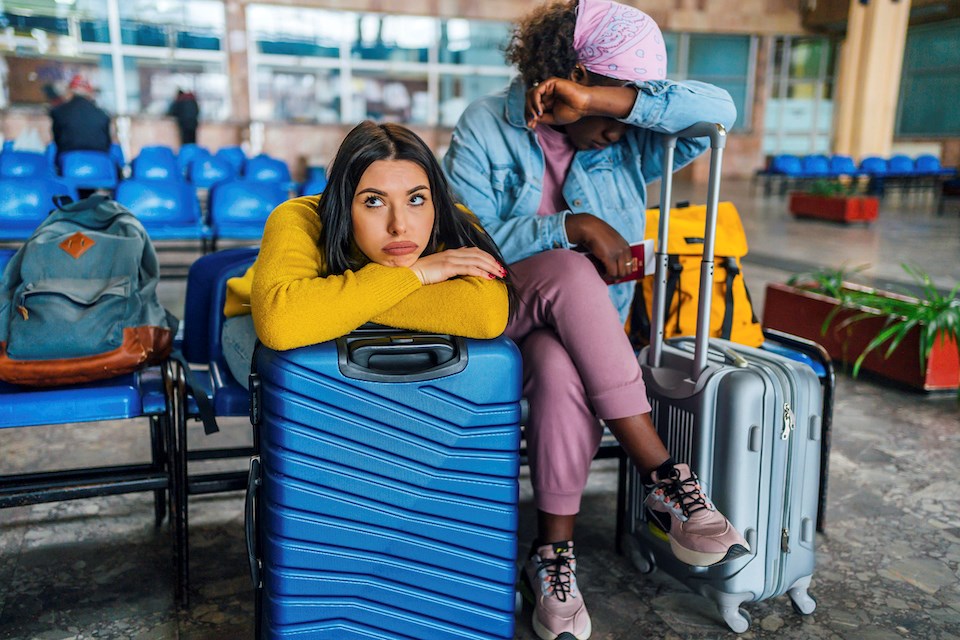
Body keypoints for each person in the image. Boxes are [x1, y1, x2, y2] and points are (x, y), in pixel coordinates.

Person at [442, 1, 748, 639]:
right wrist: (570, 226)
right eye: (611, 94)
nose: (619, 120)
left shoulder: (627, 131)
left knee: (560, 369)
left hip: (580, 342)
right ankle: (664, 474)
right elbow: (464, 242)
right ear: (563, 76)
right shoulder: (483, 126)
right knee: (573, 268)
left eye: (624, 101)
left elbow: (719, 111)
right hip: (499, 319)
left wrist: (609, 103)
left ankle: (552, 560)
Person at [219, 120, 513, 387]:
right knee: (302, 382)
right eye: (374, 201)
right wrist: (416, 274)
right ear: (344, 203)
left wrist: (334, 307)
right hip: (250, 324)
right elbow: (280, 323)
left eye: (416, 199)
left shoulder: (450, 218)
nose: (400, 226)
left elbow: (488, 314)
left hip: (343, 336)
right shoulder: (296, 219)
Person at [50, 75, 111, 166]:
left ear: (70, 92)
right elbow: (107, 143)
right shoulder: (102, 114)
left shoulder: (59, 112)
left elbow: (56, 140)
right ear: (90, 94)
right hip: (99, 164)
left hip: (69, 163)